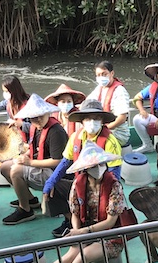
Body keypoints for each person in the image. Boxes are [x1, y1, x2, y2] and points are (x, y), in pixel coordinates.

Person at [40, 143, 126, 263]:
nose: (98, 168)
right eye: (93, 166)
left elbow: (111, 221)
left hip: (110, 235)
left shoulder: (114, 185)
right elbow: (75, 213)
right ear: (85, 169)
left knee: (83, 256)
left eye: (101, 164)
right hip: (85, 232)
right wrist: (77, 231)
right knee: (68, 257)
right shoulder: (78, 183)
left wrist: (83, 232)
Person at [42, 100, 123, 238]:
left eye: (96, 118)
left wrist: (103, 190)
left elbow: (114, 173)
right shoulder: (75, 137)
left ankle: (97, 226)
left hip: (101, 187)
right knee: (53, 188)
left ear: (102, 120)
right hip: (81, 183)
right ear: (82, 121)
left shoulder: (110, 141)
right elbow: (65, 163)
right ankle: (70, 221)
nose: (92, 122)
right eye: (88, 118)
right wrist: (50, 182)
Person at [2, 94, 67, 225]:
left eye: (40, 116)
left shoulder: (56, 132)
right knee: (5, 167)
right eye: (33, 118)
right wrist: (25, 155)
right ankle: (30, 200)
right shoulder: (36, 127)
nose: (37, 120)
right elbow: (35, 148)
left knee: (15, 171)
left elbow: (59, 162)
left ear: (47, 113)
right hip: (41, 166)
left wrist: (30, 162)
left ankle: (25, 209)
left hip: (56, 174)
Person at [86, 61, 132, 151]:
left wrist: (103, 128)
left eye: (104, 74)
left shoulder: (119, 91)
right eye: (98, 75)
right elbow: (88, 102)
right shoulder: (100, 88)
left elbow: (122, 118)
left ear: (112, 73)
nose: (101, 77)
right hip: (102, 126)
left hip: (117, 132)